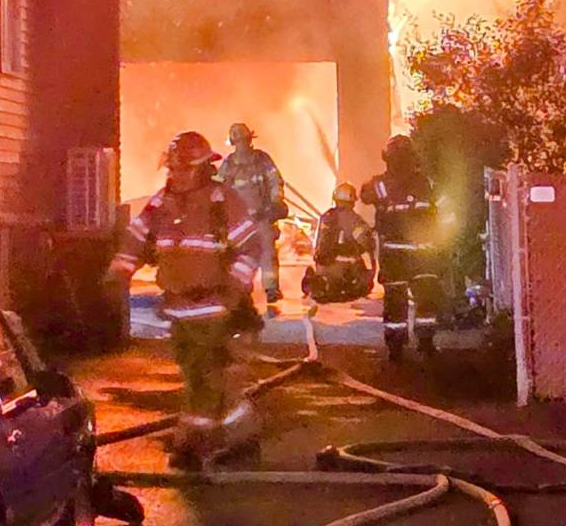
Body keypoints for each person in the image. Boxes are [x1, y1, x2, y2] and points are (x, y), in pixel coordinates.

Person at [106, 130, 264, 463]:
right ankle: (236, 432)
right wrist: (120, 269)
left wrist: (233, 291)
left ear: (201, 168)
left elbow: (250, 247)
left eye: (181, 169)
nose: (174, 175)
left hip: (213, 309)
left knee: (205, 377)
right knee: (197, 376)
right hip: (179, 309)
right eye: (172, 169)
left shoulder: (223, 202)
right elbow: (137, 236)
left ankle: (199, 444)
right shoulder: (162, 202)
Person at [361, 135, 442, 360]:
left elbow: (364, 194)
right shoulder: (426, 182)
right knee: (425, 297)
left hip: (395, 251)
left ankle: (396, 348)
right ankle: (426, 343)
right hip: (423, 251)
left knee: (396, 298)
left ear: (387, 158)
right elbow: (439, 211)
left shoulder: (380, 184)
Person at [217, 122, 286, 317]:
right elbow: (219, 190)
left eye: (242, 141)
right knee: (239, 256)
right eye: (238, 142)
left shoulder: (262, 160)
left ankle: (271, 289)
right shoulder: (229, 164)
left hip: (262, 215)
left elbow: (275, 181)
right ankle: (240, 290)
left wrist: (276, 202)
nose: (241, 145)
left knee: (267, 253)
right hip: (238, 221)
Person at [303, 182, 376, 305]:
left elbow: (318, 243)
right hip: (345, 268)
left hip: (322, 265)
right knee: (362, 281)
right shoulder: (353, 219)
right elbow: (365, 241)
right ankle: (335, 286)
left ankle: (320, 282)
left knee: (332, 286)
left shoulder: (325, 216)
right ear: (352, 200)